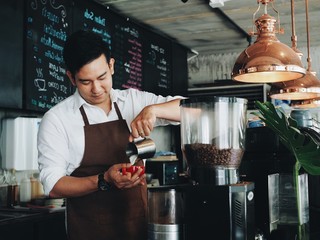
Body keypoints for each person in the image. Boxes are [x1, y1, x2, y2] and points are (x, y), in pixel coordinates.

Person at [37, 30, 183, 240]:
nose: (96, 89)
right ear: (71, 77)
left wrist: (154, 110)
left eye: (102, 77)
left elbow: (195, 110)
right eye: (85, 82)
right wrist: (103, 180)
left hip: (139, 230)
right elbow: (52, 186)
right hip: (90, 233)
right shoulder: (57, 119)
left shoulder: (133, 101)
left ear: (112, 66)